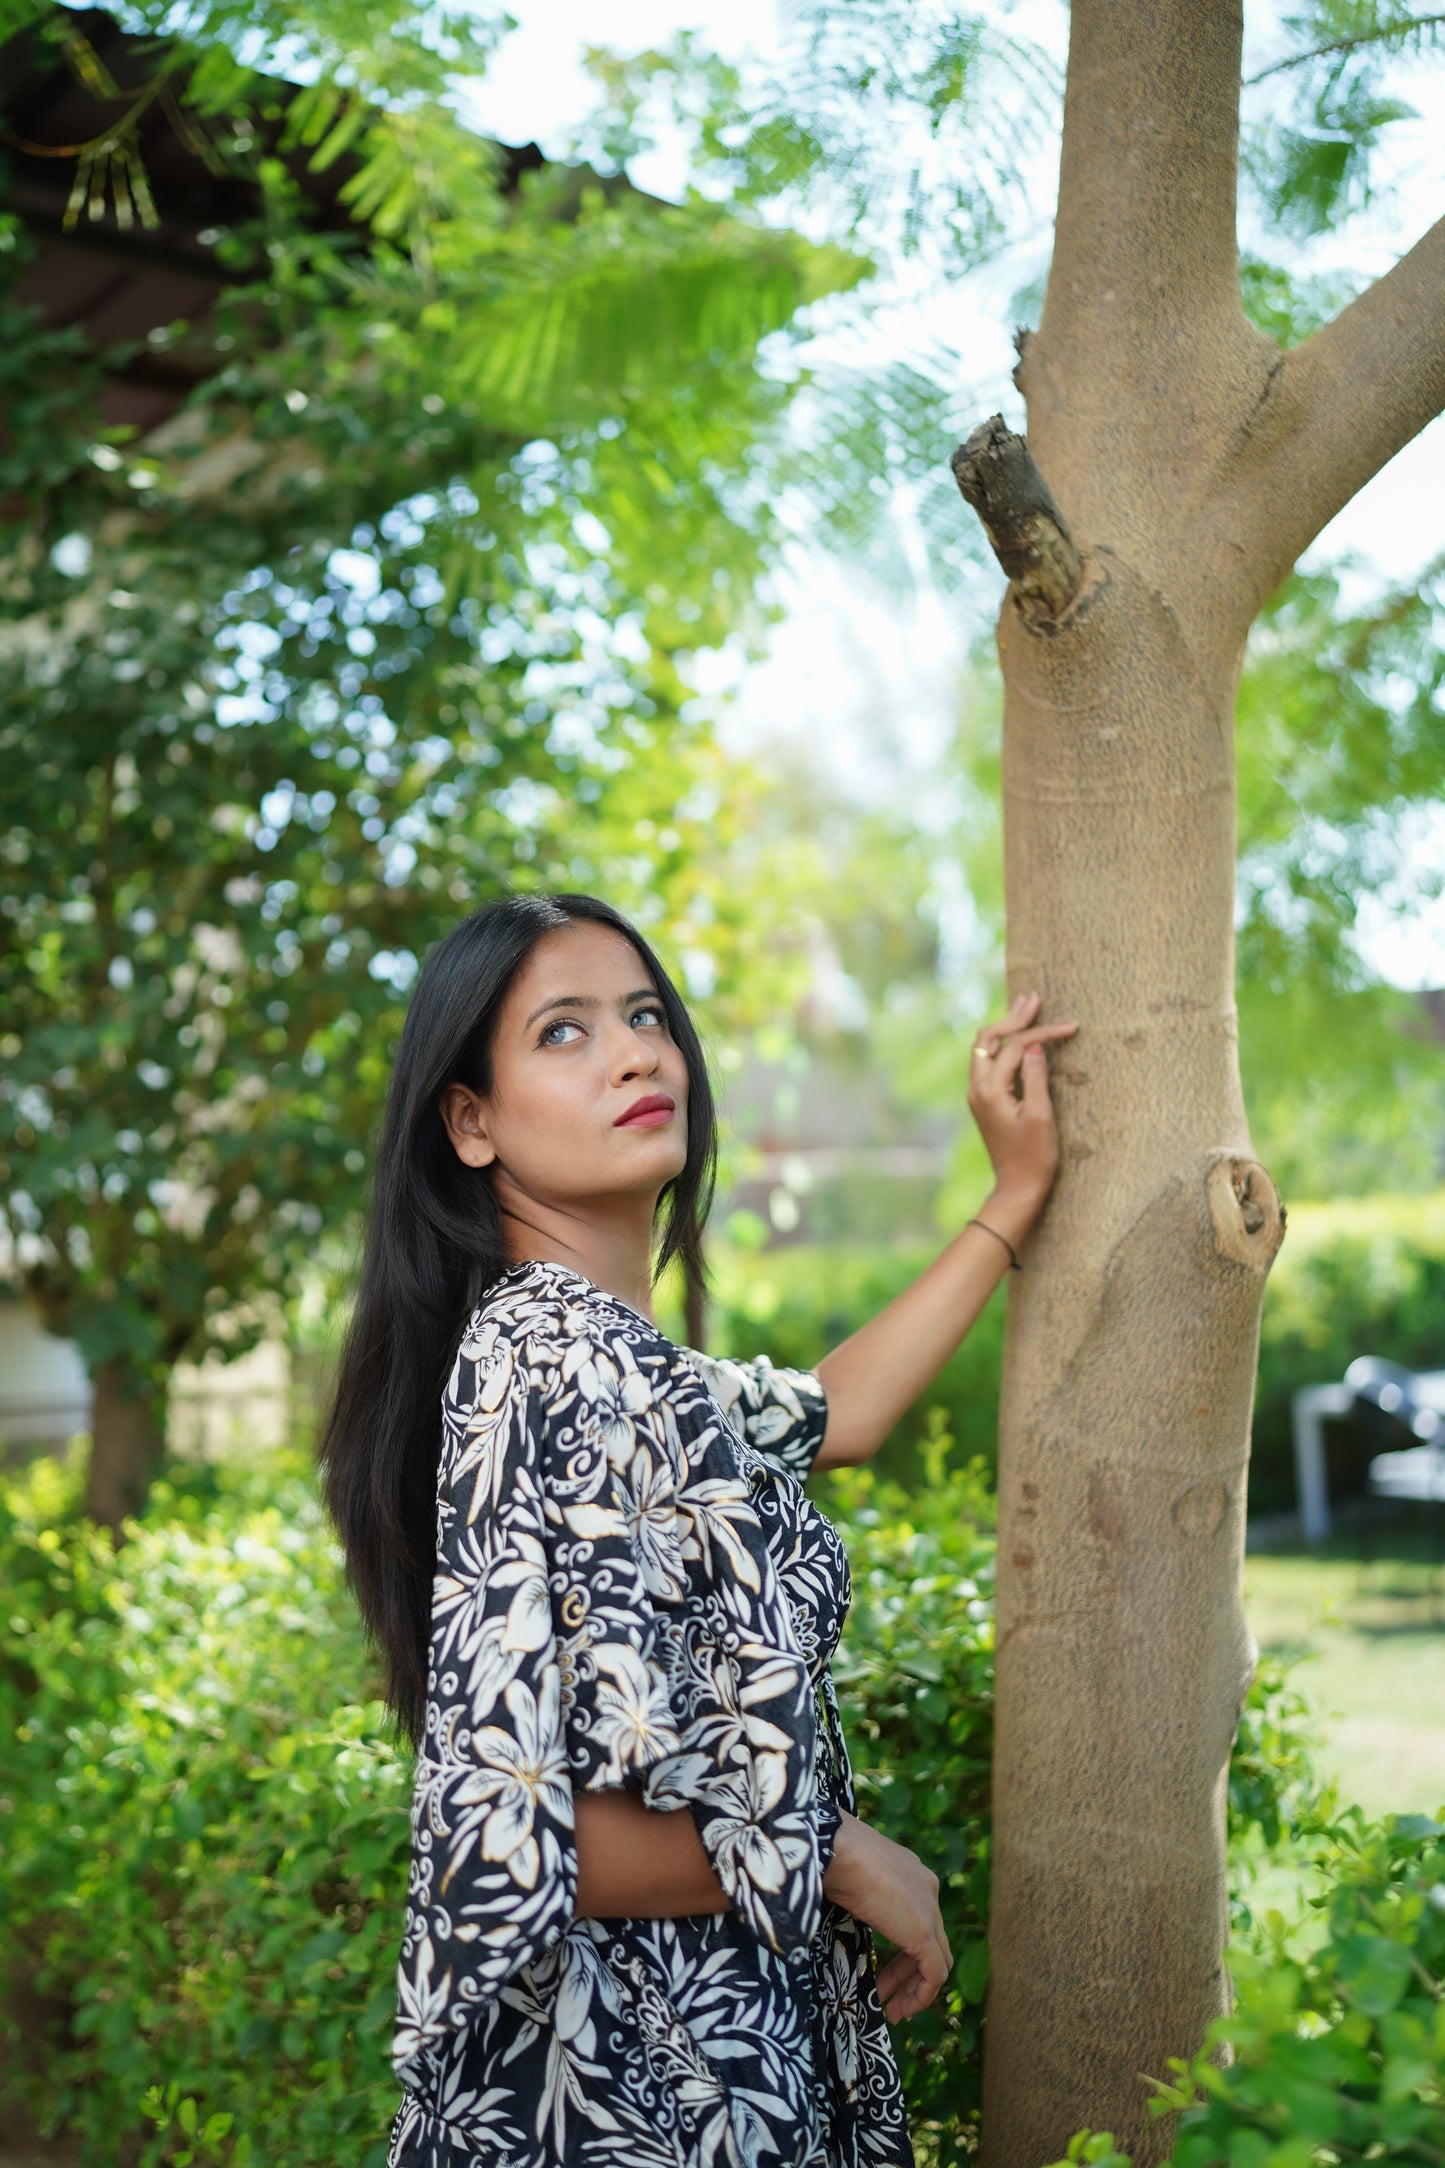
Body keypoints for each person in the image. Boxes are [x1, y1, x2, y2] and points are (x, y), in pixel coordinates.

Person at [321, 891, 1076, 2168]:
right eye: (562, 1032)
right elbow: (531, 1836)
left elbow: (834, 1413)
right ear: (470, 1119)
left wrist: (1014, 1193)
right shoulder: (549, 1357)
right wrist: (837, 1853)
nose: (634, 1053)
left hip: (696, 2060)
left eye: (644, 1015)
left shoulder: (621, 1359)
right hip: (632, 2091)